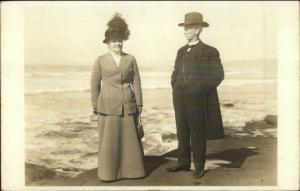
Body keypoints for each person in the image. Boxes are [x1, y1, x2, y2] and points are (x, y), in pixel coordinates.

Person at [166, 12, 225, 179]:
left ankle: (199, 166)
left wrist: (198, 89)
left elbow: (218, 75)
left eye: (188, 28)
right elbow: (175, 72)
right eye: (184, 27)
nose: (184, 30)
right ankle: (183, 162)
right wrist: (175, 86)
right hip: (180, 98)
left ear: (198, 30)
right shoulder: (181, 51)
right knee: (182, 130)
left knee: (197, 132)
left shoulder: (209, 51)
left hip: (198, 99)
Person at [90, 13, 145, 182]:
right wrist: (95, 106)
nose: (118, 44)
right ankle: (109, 174)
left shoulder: (131, 59)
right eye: (114, 41)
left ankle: (133, 172)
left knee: (130, 140)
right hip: (107, 106)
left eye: (120, 40)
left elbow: (136, 81)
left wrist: (140, 105)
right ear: (108, 43)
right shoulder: (100, 60)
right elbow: (94, 84)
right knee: (109, 142)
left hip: (128, 105)